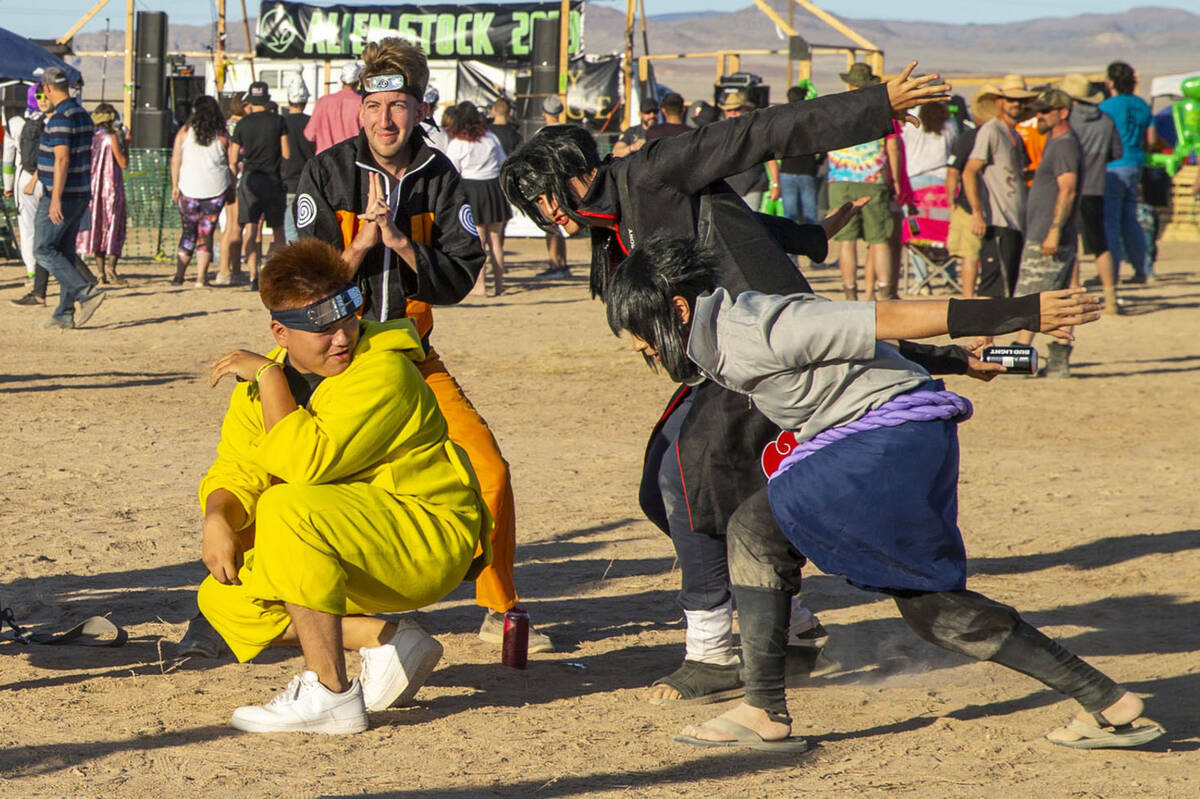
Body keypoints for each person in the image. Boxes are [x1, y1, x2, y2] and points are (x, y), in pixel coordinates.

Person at [502, 61, 958, 705]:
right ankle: (788, 621)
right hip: (717, 359)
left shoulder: (654, 169)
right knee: (658, 490)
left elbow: (763, 132)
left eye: (548, 196)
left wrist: (876, 104)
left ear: (577, 169)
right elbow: (726, 222)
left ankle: (713, 651)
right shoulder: (610, 231)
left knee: (685, 474)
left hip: (758, 345)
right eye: (535, 209)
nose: (548, 214)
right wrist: (809, 237)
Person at [606, 235, 1164, 753]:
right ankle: (1106, 701)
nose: (640, 348)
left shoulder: (756, 325)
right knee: (918, 603)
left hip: (888, 438)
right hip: (881, 438)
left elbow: (885, 316)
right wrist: (957, 362)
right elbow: (858, 347)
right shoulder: (714, 341)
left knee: (769, 536)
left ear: (678, 310)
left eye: (641, 332)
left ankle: (763, 710)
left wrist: (1022, 313)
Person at [295, 37, 551, 653]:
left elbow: (462, 276)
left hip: (411, 356)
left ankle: (498, 606)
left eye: (400, 105)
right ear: (360, 108)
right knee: (287, 475)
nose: (386, 120)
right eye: (375, 105)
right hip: (334, 362)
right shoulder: (325, 172)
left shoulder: (440, 178)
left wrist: (402, 244)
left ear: (419, 109)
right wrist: (359, 246)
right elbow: (302, 283)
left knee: (487, 468)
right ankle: (243, 602)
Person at [196, 237, 489, 734]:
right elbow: (238, 469)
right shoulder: (258, 392)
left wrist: (269, 377)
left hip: (427, 539)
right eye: (324, 330)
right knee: (224, 600)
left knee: (287, 505)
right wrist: (218, 517)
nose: (343, 338)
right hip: (357, 539)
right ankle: (384, 638)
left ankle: (329, 690)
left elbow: (306, 463)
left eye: (349, 320)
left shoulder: (383, 370)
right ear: (281, 332)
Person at [1010, 90, 1083, 378]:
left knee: (1034, 299)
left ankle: (1019, 359)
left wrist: (1053, 232)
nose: (1038, 116)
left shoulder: (1064, 144)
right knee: (1058, 298)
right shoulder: (1057, 141)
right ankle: (1057, 362)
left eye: (1044, 111)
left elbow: (1068, 189)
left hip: (1048, 236)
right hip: (1048, 233)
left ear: (1061, 112)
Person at [33, 67, 105, 330]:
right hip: (80, 192)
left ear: (49, 88)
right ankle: (64, 312)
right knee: (64, 251)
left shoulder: (61, 117)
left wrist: (55, 199)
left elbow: (62, 158)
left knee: (43, 249)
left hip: (62, 195)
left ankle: (86, 291)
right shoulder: (82, 114)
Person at [825, 63, 896, 301]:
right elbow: (892, 146)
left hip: (840, 177)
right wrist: (893, 179)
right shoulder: (880, 111)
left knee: (846, 240)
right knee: (878, 239)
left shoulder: (834, 110)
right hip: (872, 177)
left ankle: (850, 295)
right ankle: (884, 294)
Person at [962, 75, 1037, 298]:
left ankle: (986, 334)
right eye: (1011, 99)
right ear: (999, 102)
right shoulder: (991, 130)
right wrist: (977, 213)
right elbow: (969, 171)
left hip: (1015, 221)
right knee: (992, 286)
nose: (1016, 104)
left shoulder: (1014, 134)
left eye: (1021, 100)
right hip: (998, 220)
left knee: (1007, 289)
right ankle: (981, 335)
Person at [1063, 73, 1123, 316]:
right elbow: (1116, 153)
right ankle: (1111, 297)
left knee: (1071, 242)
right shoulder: (1106, 120)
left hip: (1070, 187)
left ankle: (1075, 294)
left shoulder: (1068, 120)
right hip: (1096, 186)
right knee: (1100, 244)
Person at [443, 101, 511, 297]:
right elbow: (503, 162)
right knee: (496, 241)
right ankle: (499, 285)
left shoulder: (458, 144)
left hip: (471, 191)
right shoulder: (491, 138)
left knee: (478, 241)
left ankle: (480, 286)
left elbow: (452, 171)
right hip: (493, 189)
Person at [1099, 61, 1156, 284]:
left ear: (1110, 82)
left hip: (1113, 167)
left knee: (1110, 220)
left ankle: (1109, 273)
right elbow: (1150, 140)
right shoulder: (1142, 105)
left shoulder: (1107, 107)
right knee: (1130, 219)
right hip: (1136, 163)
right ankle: (1143, 270)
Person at [232, 81, 291, 291]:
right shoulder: (278, 120)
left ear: (251, 100)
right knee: (278, 232)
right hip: (273, 180)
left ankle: (253, 276)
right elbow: (286, 153)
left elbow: (233, 158)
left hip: (250, 180)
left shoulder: (243, 124)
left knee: (251, 229)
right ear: (267, 99)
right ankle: (279, 276)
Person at [170, 96, 235, 286]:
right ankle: (201, 278)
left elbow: (175, 160)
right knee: (206, 233)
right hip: (216, 189)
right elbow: (230, 163)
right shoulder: (222, 134)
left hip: (188, 188)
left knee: (188, 232)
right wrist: (231, 187)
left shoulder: (185, 132)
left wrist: (175, 184)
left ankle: (179, 275)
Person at [945, 85, 996, 298]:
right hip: (998, 206)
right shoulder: (1006, 135)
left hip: (970, 205)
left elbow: (953, 172)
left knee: (970, 255)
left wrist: (951, 201)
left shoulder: (968, 138)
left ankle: (968, 299)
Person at [5, 85, 50, 306]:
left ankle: (33, 274)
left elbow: (8, 158)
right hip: (48, 179)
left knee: (28, 230)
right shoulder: (52, 120)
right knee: (52, 230)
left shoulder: (14, 124)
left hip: (25, 179)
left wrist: (7, 185)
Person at [75, 103, 128, 286]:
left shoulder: (91, 137)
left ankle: (100, 273)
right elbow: (123, 163)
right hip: (111, 187)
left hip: (93, 188)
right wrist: (126, 144)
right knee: (113, 226)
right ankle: (111, 269)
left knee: (98, 226)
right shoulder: (110, 136)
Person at [720, 92, 778, 212]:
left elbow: (771, 159)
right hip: (728, 189)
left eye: (737, 109)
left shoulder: (757, 131)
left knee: (752, 224)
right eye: (729, 110)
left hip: (753, 187)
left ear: (746, 110)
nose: (733, 113)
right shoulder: (720, 134)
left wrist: (776, 184)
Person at [777, 83, 823, 229]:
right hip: (807, 170)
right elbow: (823, 145)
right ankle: (812, 248)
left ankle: (790, 251)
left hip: (787, 171)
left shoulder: (782, 120)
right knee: (810, 215)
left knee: (789, 216)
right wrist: (818, 163)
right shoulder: (811, 120)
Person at [215, 94, 247, 286]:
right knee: (233, 226)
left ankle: (234, 268)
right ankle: (225, 269)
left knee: (236, 226)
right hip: (237, 177)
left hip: (232, 178)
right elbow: (232, 153)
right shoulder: (236, 126)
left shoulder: (227, 125)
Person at [281, 77, 316, 244]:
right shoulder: (311, 122)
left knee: (289, 230)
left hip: (287, 182)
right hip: (309, 182)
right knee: (306, 228)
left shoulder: (281, 123)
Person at [304, 62, 363, 154]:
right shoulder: (361, 103)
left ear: (341, 79)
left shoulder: (323, 102)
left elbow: (310, 134)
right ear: (358, 81)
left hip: (324, 159)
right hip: (351, 157)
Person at [903, 102, 958, 190]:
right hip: (942, 177)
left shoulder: (910, 122)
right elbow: (954, 148)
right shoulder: (950, 123)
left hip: (914, 176)